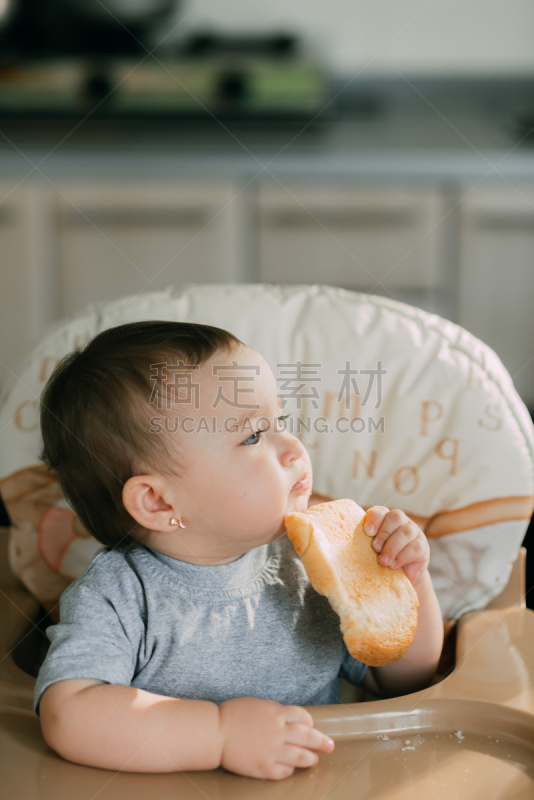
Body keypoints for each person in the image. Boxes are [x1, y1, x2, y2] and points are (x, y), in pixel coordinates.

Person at [35, 320, 444, 781]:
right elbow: (68, 715)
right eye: (252, 436)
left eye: (280, 422)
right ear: (158, 502)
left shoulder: (314, 563)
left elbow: (399, 680)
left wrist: (407, 580)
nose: (292, 448)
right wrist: (220, 736)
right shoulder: (121, 594)